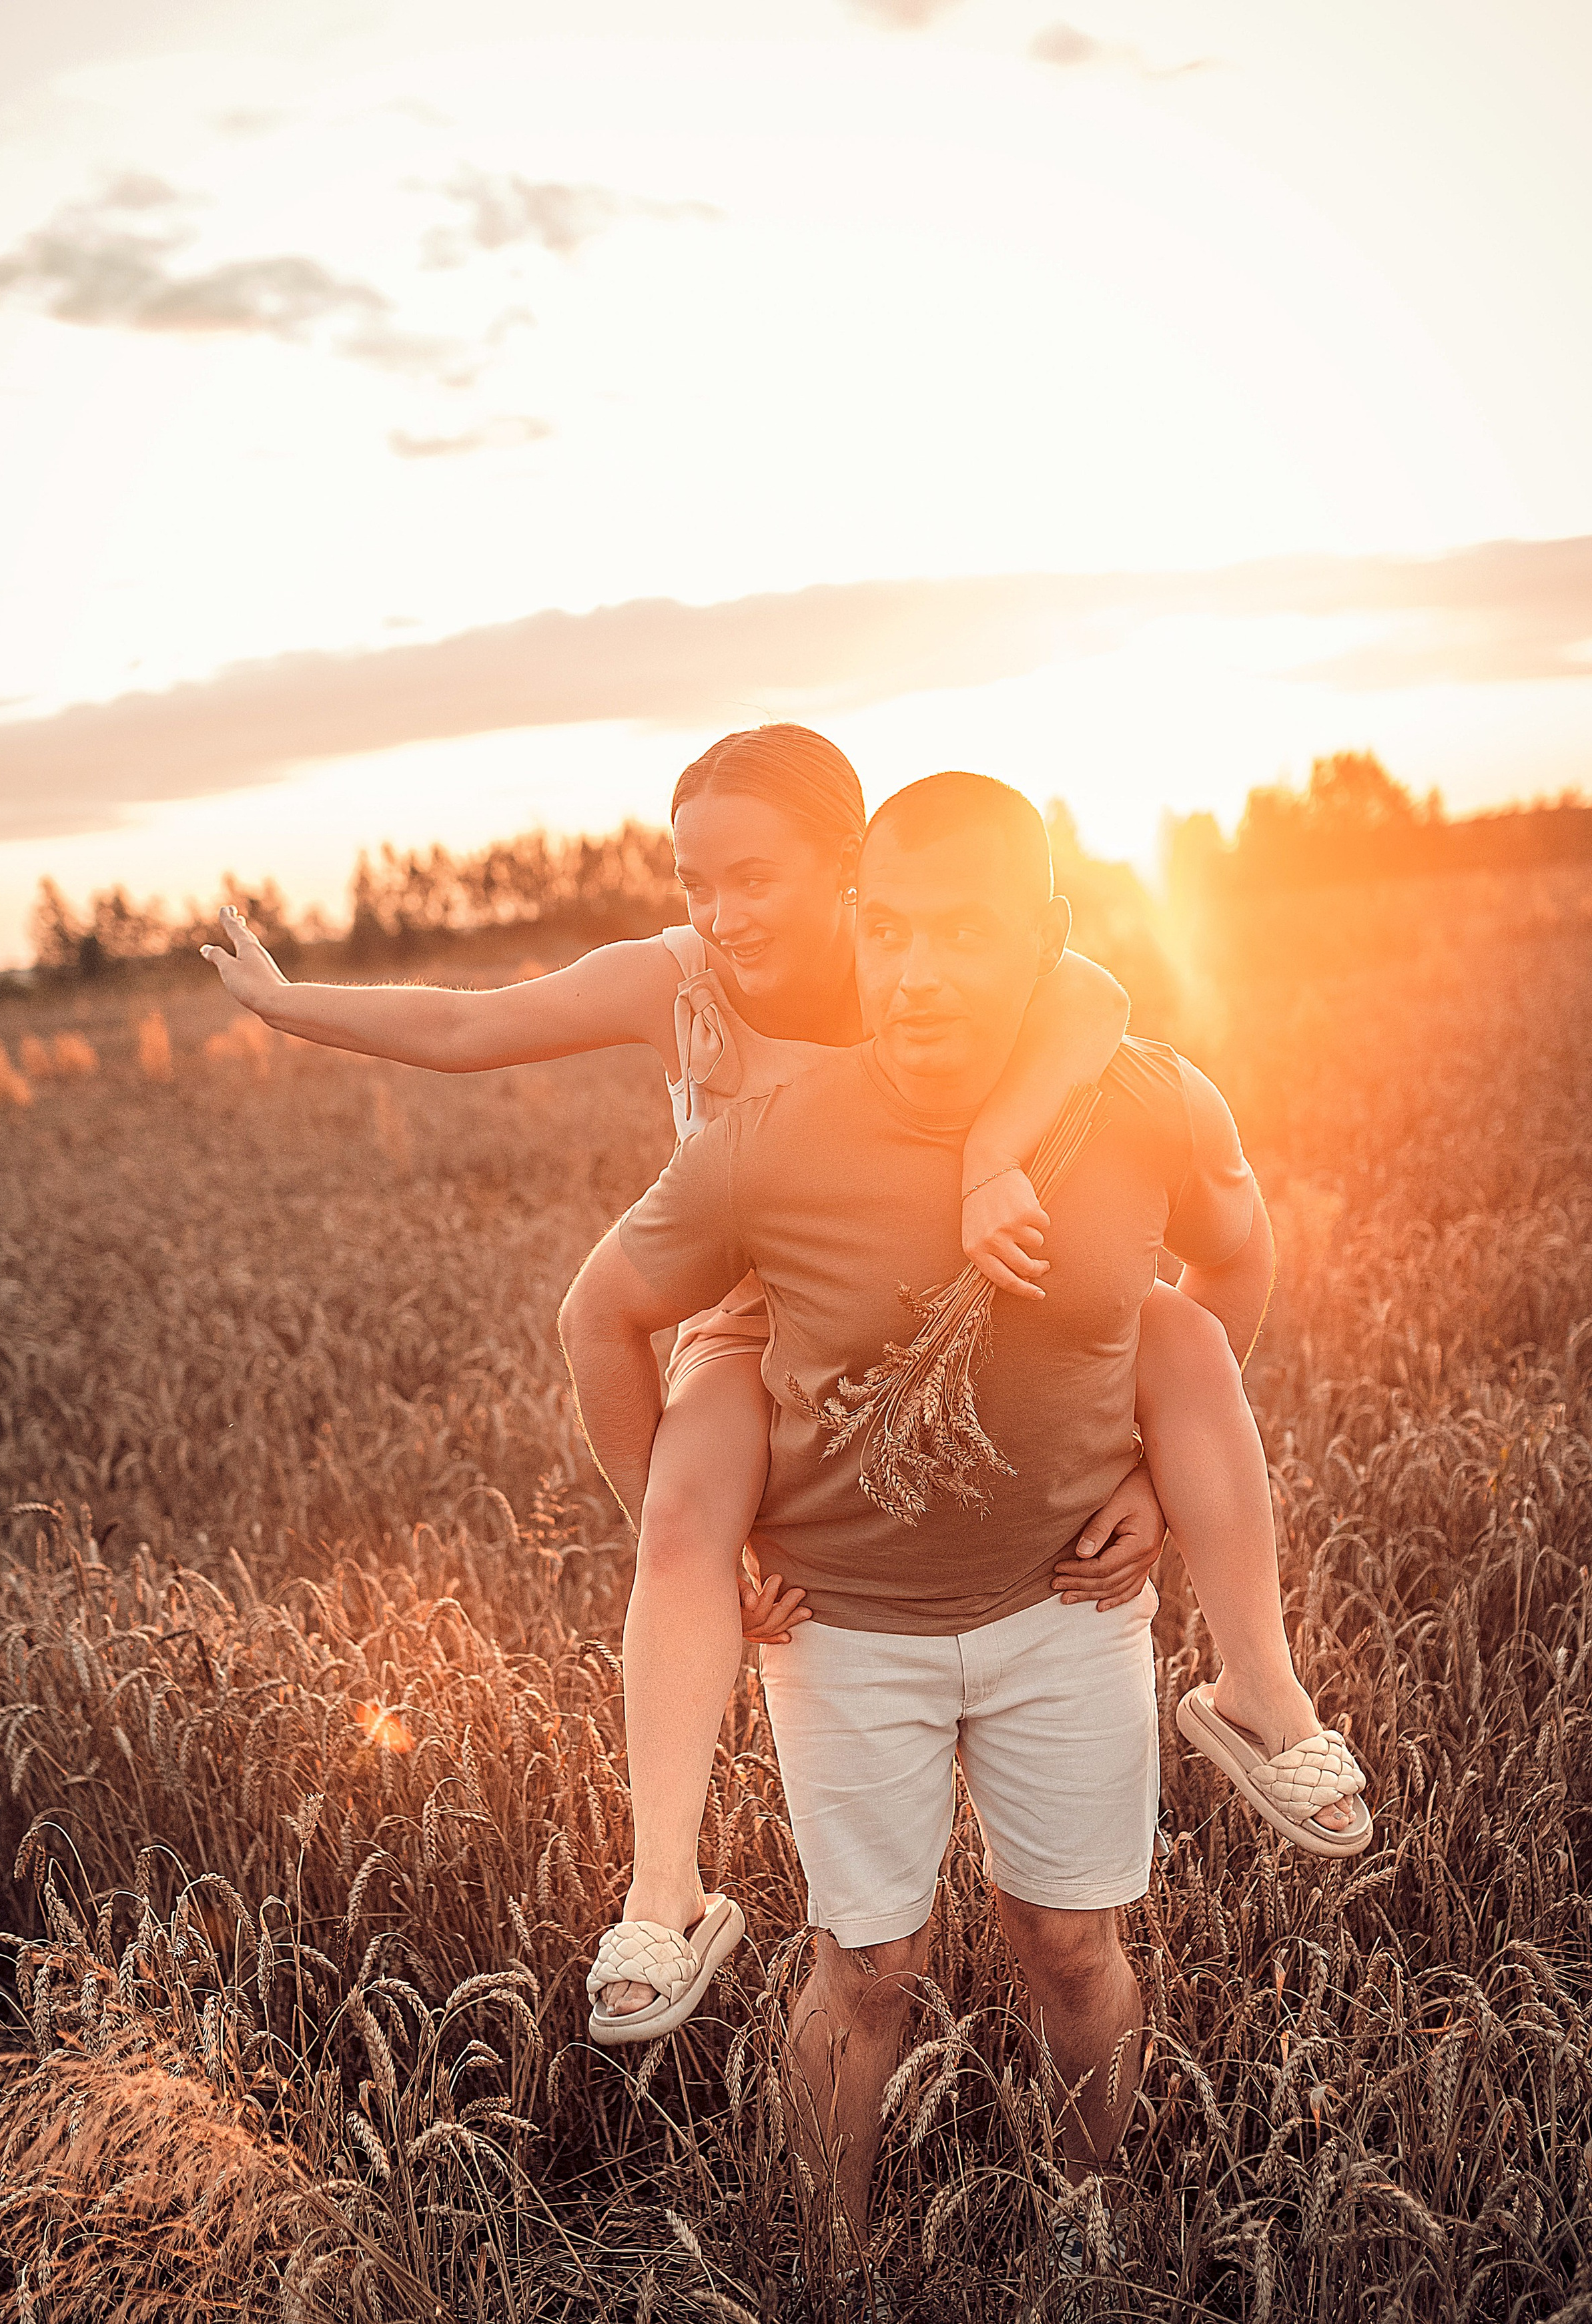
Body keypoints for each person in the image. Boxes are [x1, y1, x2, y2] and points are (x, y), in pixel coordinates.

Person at [201, 727, 1349, 2033]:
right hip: (751, 1330)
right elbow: (477, 1022)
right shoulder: (679, 976)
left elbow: (1086, 1000)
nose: (720, 913)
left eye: (753, 878)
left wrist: (992, 1151)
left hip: (942, 1314)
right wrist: (290, 1006)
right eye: (695, 881)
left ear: (850, 878)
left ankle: (1255, 1679)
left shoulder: (915, 967)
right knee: (683, 1514)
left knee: (1176, 1339)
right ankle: (665, 1888)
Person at [557, 772, 1369, 2253]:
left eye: (966, 937)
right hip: (845, 1632)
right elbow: (599, 1316)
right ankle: (834, 2287)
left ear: (1045, 937)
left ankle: (1092, 2238)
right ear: (858, 933)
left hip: (1068, 1613)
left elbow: (1229, 1272)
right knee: (866, 1967)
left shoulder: (1144, 1102)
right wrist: (696, 1539)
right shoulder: (771, 1138)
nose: (918, 974)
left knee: (1068, 1947)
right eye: (892, 933)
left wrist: (1151, 1484)